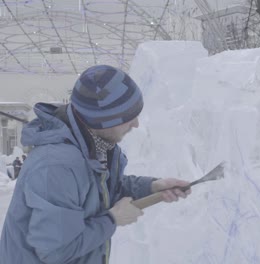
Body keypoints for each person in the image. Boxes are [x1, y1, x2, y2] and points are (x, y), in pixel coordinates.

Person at [0, 65, 191, 264]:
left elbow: (98, 189)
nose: (136, 124)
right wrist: (113, 219)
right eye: (127, 117)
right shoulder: (57, 165)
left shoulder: (93, 144)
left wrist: (152, 187)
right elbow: (56, 251)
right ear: (102, 121)